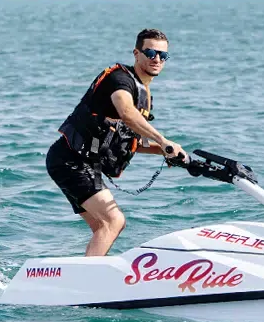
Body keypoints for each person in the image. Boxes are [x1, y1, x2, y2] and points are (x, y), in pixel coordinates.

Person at [45, 28, 188, 256]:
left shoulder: (144, 94)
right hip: (70, 159)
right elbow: (127, 113)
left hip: (83, 163)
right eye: (150, 52)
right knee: (114, 220)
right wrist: (163, 140)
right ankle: (85, 285)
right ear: (136, 53)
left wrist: (165, 151)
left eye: (163, 55)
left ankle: (83, 279)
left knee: (104, 227)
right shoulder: (120, 79)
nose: (157, 59)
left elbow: (135, 143)